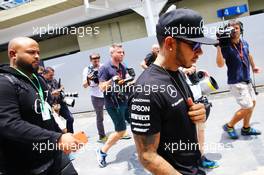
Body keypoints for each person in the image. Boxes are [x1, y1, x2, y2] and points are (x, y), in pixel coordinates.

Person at [129, 8, 218, 175]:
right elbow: (147, 156)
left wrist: (198, 111)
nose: (200, 52)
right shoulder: (146, 89)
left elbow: (176, 115)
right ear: (170, 43)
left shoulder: (177, 71)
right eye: (195, 45)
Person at [0, 37, 81, 175]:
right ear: (13, 54)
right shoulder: (5, 83)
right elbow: (9, 124)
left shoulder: (39, 80)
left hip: (54, 155)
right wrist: (57, 138)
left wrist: (61, 133)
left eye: (38, 52)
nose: (37, 56)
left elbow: (47, 111)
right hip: (26, 165)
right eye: (31, 52)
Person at [216, 19, 261, 139]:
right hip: (236, 82)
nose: (234, 30)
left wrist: (254, 66)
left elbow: (248, 54)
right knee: (248, 106)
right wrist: (218, 47)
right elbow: (220, 64)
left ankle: (246, 128)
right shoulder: (226, 46)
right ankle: (229, 126)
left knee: (253, 102)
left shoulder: (244, 43)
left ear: (241, 30)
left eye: (236, 28)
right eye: (231, 28)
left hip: (247, 80)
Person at [96, 43, 131, 168]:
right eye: (119, 52)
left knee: (138, 122)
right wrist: (112, 80)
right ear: (112, 53)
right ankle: (102, 152)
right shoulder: (104, 68)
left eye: (122, 52)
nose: (121, 54)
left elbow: (126, 81)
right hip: (113, 104)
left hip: (125, 101)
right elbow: (101, 87)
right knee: (121, 131)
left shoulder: (123, 66)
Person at [182, 65, 219, 169]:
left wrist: (200, 72)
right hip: (189, 105)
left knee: (199, 133)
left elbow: (193, 81)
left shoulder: (188, 63)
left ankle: (198, 157)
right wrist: (184, 71)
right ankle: (199, 159)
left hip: (198, 103)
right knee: (196, 134)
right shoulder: (175, 66)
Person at [82, 53, 107, 143]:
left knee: (116, 111)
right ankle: (102, 135)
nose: (96, 60)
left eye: (97, 58)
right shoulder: (87, 70)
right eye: (94, 59)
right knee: (100, 117)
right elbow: (84, 85)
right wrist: (88, 79)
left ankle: (120, 131)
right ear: (90, 60)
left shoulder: (104, 66)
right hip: (96, 96)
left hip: (106, 93)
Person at [43, 67, 75, 133]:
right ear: (44, 74)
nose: (52, 77)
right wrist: (52, 94)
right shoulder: (41, 82)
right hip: (50, 106)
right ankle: (61, 138)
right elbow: (42, 95)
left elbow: (61, 86)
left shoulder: (53, 80)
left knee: (70, 118)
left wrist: (60, 89)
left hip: (60, 103)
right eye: (50, 75)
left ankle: (70, 135)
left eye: (53, 75)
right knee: (56, 125)